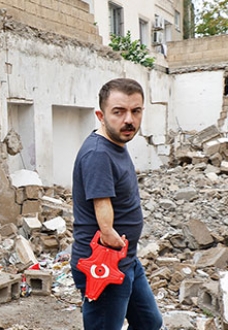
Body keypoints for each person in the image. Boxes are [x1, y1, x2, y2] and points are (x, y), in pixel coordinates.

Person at [70, 78, 163, 329]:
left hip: (126, 259)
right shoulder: (99, 154)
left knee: (149, 323)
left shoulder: (116, 144)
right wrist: (110, 233)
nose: (129, 120)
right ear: (101, 115)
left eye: (136, 111)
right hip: (104, 263)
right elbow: (103, 208)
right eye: (119, 112)